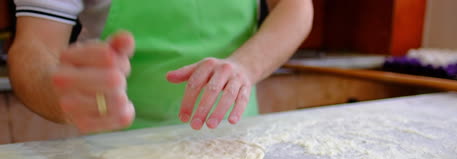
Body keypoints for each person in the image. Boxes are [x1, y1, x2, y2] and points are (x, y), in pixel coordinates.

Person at [8, 0, 313, 133]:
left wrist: (244, 67)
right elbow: (35, 46)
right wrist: (63, 95)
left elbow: (295, 5)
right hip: (119, 148)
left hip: (235, 134)